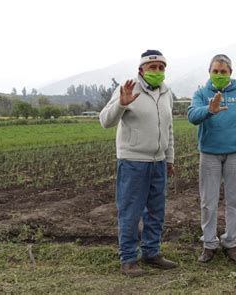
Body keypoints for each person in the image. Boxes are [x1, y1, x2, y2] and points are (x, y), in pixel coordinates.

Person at [99, 49, 177, 277]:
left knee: (156, 211)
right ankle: (128, 259)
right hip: (133, 161)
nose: (157, 71)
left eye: (161, 67)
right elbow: (105, 120)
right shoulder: (128, 88)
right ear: (141, 69)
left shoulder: (166, 92)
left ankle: (151, 253)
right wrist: (121, 104)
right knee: (130, 212)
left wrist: (169, 158)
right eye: (153, 67)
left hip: (158, 162)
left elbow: (169, 129)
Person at [187, 54, 236, 263]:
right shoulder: (201, 93)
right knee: (209, 202)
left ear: (230, 73)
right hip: (209, 155)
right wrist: (210, 109)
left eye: (223, 72)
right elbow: (192, 116)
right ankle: (209, 244)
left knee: (235, 200)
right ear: (209, 72)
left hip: (235, 154)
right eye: (215, 71)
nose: (219, 75)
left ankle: (231, 243)